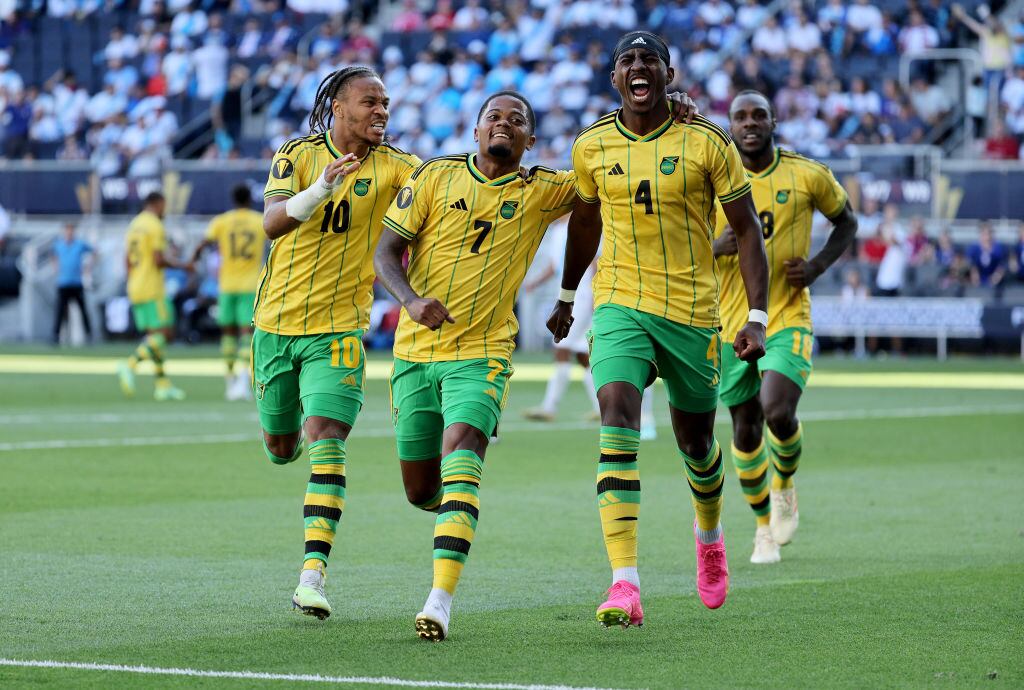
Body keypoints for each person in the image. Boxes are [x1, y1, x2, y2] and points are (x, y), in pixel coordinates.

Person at [547, 32, 768, 627]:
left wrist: (755, 316)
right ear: (614, 78)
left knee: (696, 443)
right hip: (619, 303)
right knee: (615, 411)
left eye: (650, 60)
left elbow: (746, 230)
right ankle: (625, 582)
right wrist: (569, 296)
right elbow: (585, 222)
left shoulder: (707, 140)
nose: (639, 68)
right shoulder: (590, 145)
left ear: (669, 73)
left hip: (693, 313)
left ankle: (710, 535)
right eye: (628, 61)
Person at [258, 66, 421, 620]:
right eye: (370, 102)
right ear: (337, 106)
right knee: (282, 448)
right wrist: (321, 187)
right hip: (275, 325)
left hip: (340, 331)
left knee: (326, 438)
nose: (382, 112)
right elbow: (273, 223)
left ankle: (312, 574)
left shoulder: (401, 168)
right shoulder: (297, 154)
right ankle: (286, 438)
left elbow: (451, 192)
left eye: (386, 104)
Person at [713, 91, 857, 564]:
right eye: (740, 116)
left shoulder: (806, 174)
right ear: (730, 125)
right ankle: (761, 530)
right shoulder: (712, 177)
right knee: (746, 429)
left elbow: (846, 222)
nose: (750, 123)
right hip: (728, 320)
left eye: (758, 115)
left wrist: (816, 267)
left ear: (774, 120)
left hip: (787, 315)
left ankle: (785, 486)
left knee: (775, 409)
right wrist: (716, 247)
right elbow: (683, 238)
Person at [521, 219, 601, 423]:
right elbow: (555, 265)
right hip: (566, 296)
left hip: (581, 296)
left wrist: (595, 295)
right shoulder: (557, 230)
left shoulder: (580, 223)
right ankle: (602, 406)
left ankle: (549, 407)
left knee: (561, 346)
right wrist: (535, 282)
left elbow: (593, 260)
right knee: (583, 354)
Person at [190, 184, 265, 400]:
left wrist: (193, 260)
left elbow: (203, 244)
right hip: (250, 285)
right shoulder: (258, 220)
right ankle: (242, 380)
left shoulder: (221, 222)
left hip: (226, 285)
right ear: (250, 199)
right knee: (246, 333)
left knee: (228, 334)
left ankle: (230, 380)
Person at [117, 192, 190, 401]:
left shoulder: (134, 225)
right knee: (165, 333)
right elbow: (158, 260)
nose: (164, 211)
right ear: (157, 204)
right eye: (164, 206)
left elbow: (127, 260)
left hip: (135, 285)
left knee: (153, 337)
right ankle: (130, 365)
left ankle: (162, 385)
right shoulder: (154, 226)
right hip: (152, 287)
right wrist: (184, 265)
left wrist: (132, 282)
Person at [52, 223, 94, 344]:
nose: (69, 233)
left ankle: (89, 335)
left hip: (76, 283)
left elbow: (94, 252)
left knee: (83, 310)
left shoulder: (80, 244)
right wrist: (56, 267)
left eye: (71, 231)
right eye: (67, 231)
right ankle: (55, 336)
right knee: (59, 311)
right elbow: (53, 256)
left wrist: (88, 267)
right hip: (63, 283)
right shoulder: (59, 245)